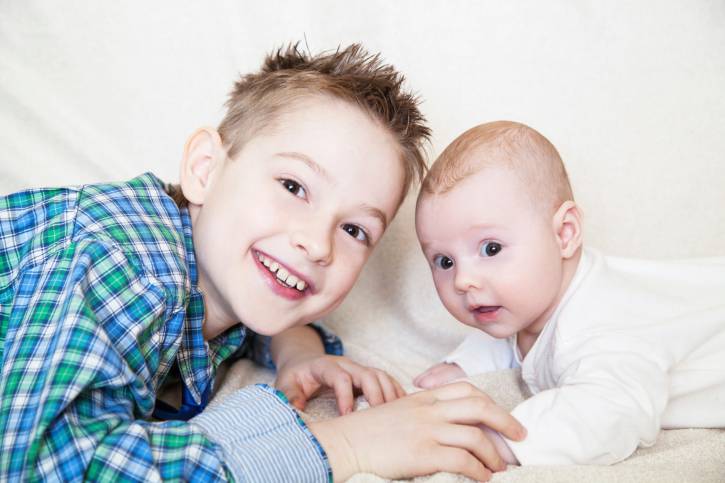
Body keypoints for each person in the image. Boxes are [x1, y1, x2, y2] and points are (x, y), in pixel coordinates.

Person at [0, 45, 525, 482]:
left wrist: (296, 352)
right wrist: (342, 445)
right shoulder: (125, 261)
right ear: (205, 169)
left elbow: (242, 314)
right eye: (294, 187)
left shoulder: (215, 278)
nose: (318, 245)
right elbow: (37, 462)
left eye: (354, 230)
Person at [413, 120, 725, 465]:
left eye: (491, 249)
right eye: (444, 261)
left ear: (564, 233)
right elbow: (511, 338)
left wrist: (503, 439)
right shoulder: (532, 303)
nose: (463, 280)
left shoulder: (600, 323)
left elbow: (610, 413)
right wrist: (463, 366)